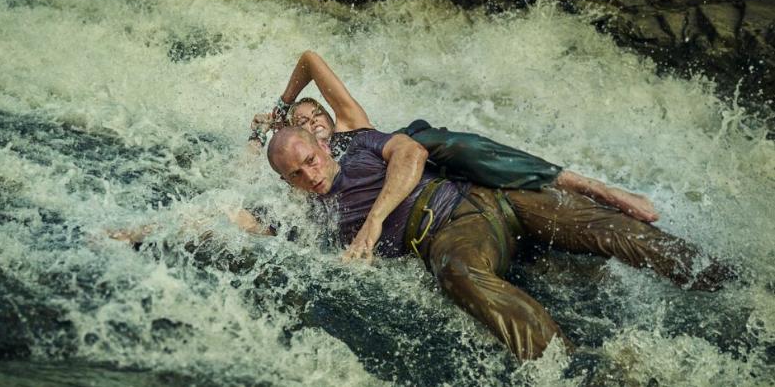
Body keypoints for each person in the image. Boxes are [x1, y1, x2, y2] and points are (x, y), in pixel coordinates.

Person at [265, 126, 734, 361]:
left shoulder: (359, 143)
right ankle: (567, 368)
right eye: (296, 174)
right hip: (449, 235)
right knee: (458, 274)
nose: (311, 174)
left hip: (487, 192)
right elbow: (269, 236)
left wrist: (373, 222)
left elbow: (412, 152)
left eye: (310, 159)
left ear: (320, 146)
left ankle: (731, 285)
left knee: (615, 230)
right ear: (287, 182)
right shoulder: (313, 219)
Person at [251, 50, 659, 223]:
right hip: (411, 204)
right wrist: (258, 133)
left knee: (452, 144)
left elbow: (309, 59)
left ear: (327, 116)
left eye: (314, 114)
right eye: (299, 122)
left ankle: (592, 187)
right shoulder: (306, 176)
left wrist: (283, 101)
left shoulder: (348, 123)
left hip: (414, 151)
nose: (310, 123)